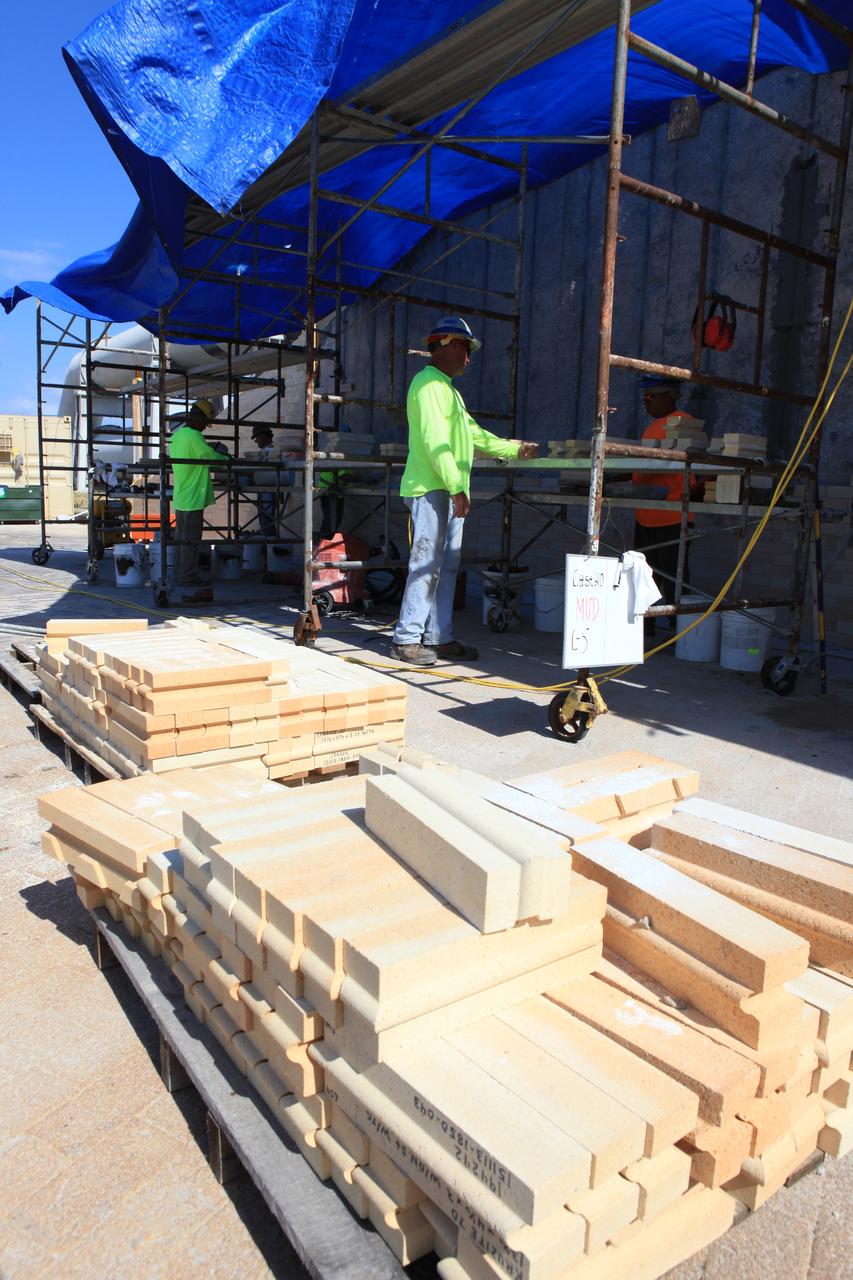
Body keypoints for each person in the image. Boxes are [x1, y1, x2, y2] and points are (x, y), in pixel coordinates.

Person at [391, 317, 538, 666]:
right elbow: (434, 442)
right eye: (465, 349)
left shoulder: (449, 392)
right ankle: (406, 639)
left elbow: (475, 436)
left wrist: (515, 449)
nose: (468, 359)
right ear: (447, 345)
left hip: (447, 489)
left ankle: (440, 637)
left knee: (446, 566)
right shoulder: (427, 385)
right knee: (427, 563)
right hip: (432, 489)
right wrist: (457, 488)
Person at [632, 375, 702, 634]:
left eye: (651, 398)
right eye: (644, 398)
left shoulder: (682, 424)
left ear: (669, 396)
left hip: (672, 515)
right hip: (647, 515)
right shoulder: (653, 427)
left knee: (674, 576)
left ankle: (680, 629)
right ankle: (644, 625)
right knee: (644, 574)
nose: (646, 403)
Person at [168, 398, 230, 603]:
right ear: (197, 417)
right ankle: (187, 578)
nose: (204, 427)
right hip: (193, 496)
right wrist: (226, 459)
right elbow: (210, 459)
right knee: (191, 540)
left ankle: (180, 574)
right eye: (205, 422)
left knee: (182, 539)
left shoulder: (178, 436)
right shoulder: (194, 436)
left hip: (182, 495)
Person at [248, 424, 280, 540]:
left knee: (267, 519)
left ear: (263, 436)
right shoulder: (268, 452)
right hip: (265, 488)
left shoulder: (270, 452)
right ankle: (270, 547)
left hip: (268, 490)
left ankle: (271, 546)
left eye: (257, 437)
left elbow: (263, 471)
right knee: (265, 520)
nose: (256, 441)